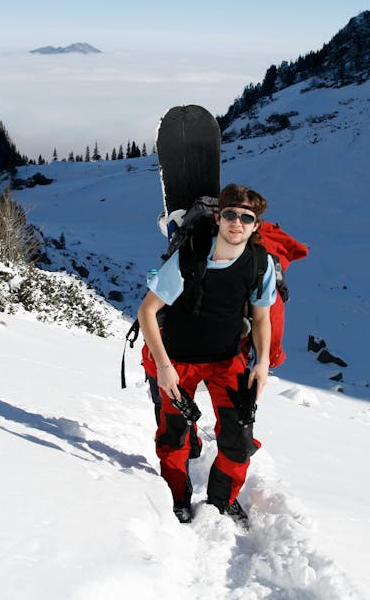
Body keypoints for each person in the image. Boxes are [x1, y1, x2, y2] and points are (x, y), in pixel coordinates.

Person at [138, 183, 276, 524]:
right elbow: (147, 313)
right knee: (174, 436)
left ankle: (221, 501)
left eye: (246, 218)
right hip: (179, 361)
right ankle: (177, 498)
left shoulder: (260, 263)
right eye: (230, 214)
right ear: (218, 218)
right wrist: (164, 368)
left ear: (255, 226)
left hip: (227, 361)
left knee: (239, 439)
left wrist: (263, 364)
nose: (237, 223)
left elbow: (261, 317)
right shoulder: (191, 255)